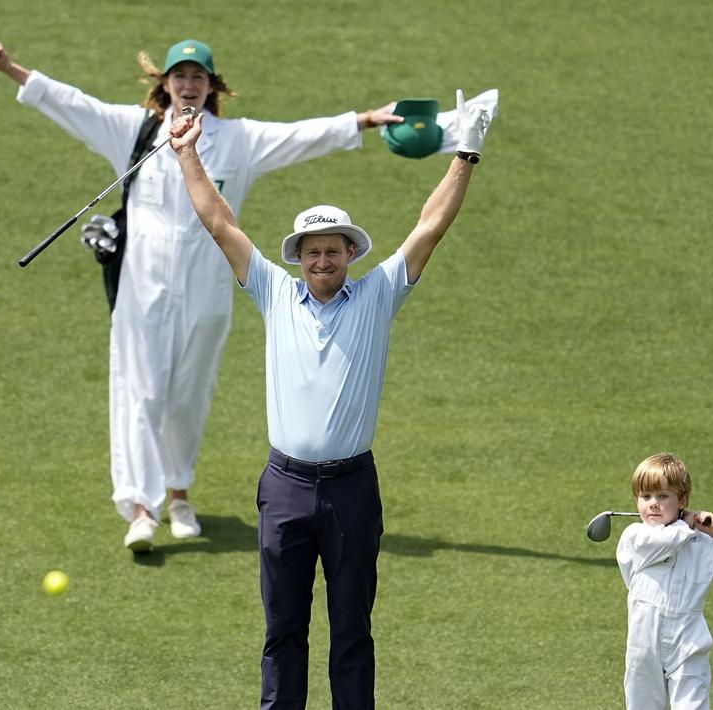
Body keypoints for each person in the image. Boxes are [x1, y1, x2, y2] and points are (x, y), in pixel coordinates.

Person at [0, 39, 402, 552]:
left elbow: (301, 136)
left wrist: (364, 120)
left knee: (189, 393)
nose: (188, 85)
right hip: (143, 292)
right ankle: (140, 507)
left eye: (198, 77)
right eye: (179, 76)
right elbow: (74, 105)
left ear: (211, 87)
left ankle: (179, 494)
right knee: (141, 393)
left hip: (207, 296)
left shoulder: (239, 140)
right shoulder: (134, 131)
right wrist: (11, 69)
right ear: (165, 84)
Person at [169, 90, 490, 709]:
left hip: (351, 488)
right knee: (282, 629)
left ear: (350, 254)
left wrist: (466, 152)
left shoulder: (378, 295)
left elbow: (431, 226)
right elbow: (219, 222)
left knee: (352, 630)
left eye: (333, 249)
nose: (322, 259)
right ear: (299, 256)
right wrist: (187, 154)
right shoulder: (272, 289)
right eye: (312, 250)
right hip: (285, 486)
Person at [615, 453, 713, 709]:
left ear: (682, 500)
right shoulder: (635, 536)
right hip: (644, 642)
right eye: (645, 497)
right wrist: (686, 523)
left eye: (662, 496)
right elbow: (664, 542)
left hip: (688, 641)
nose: (653, 504)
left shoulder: (701, 543)